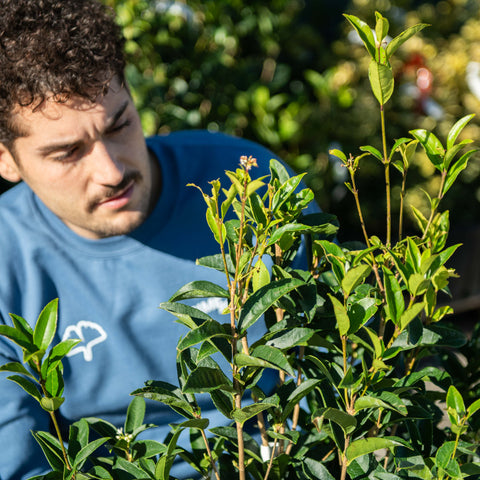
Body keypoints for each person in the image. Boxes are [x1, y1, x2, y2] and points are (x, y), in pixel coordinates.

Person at [0, 1, 318, 479]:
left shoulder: (249, 187)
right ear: (6, 161)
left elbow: (334, 379)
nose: (111, 172)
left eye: (120, 125)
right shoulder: (8, 263)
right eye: (67, 152)